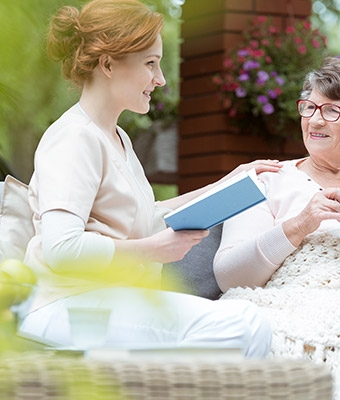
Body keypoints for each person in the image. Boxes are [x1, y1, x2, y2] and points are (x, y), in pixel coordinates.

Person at [18, 0, 283, 357]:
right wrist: (154, 249)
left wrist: (228, 183)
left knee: (250, 319)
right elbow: (62, 249)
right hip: (68, 304)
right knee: (239, 324)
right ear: (108, 63)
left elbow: (148, 215)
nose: (160, 80)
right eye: (150, 64)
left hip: (108, 300)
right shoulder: (74, 138)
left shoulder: (117, 138)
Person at [214, 57, 340, 398]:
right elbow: (228, 276)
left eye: (331, 110)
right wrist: (299, 225)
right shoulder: (263, 180)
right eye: (309, 107)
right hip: (295, 301)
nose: (314, 119)